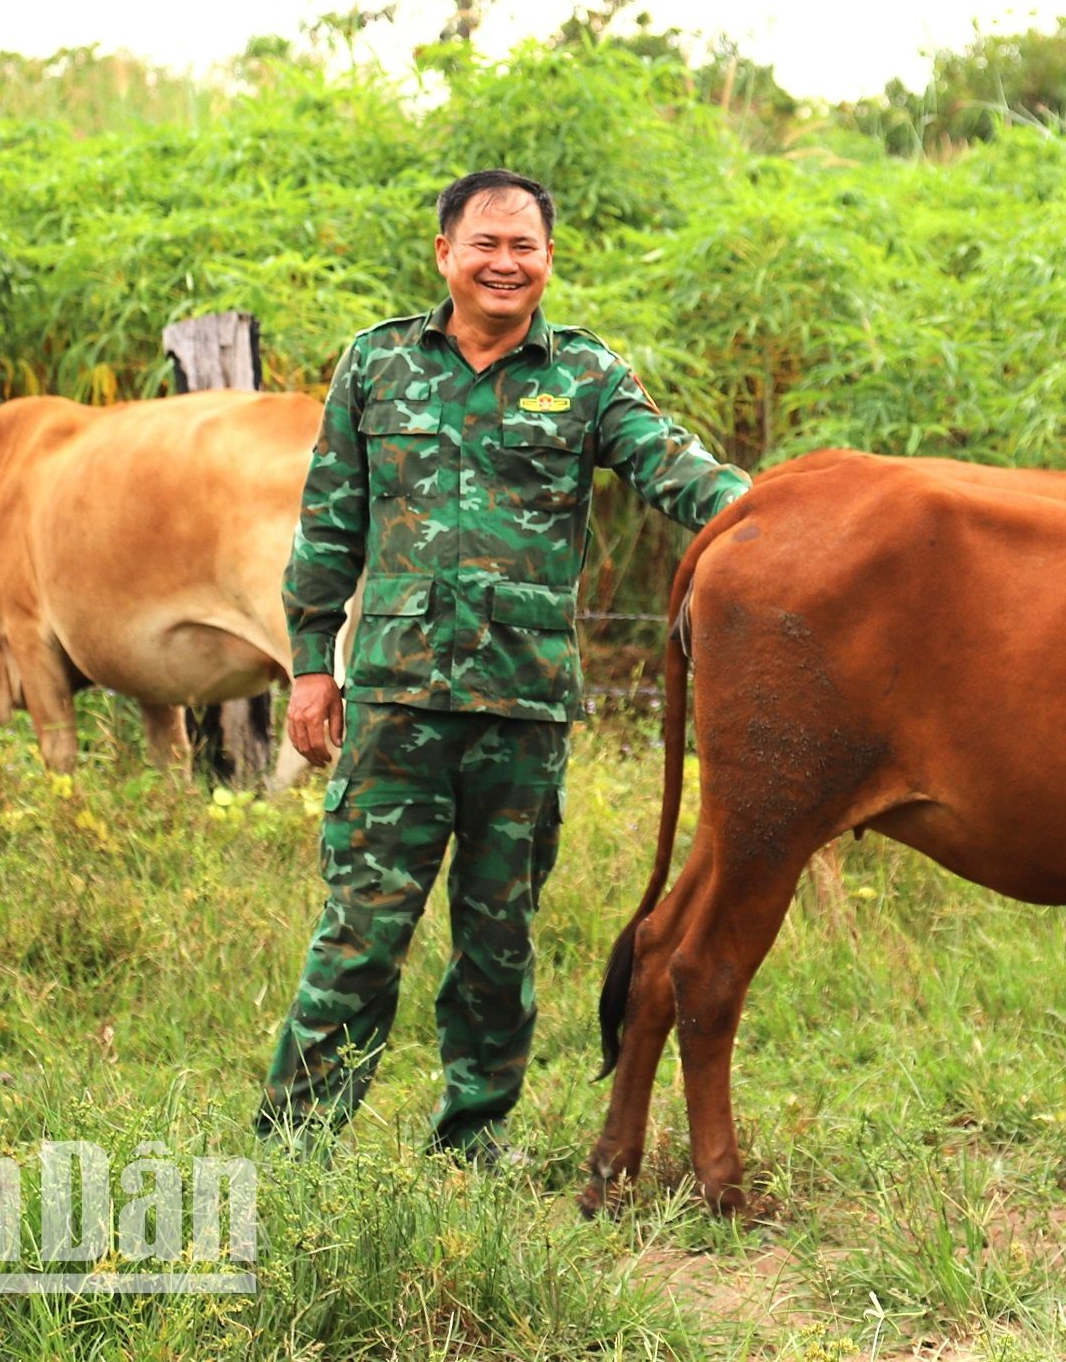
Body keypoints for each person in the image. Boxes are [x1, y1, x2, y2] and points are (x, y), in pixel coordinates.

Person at [257, 168, 748, 1159]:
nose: (504, 263)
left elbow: (677, 471)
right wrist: (313, 665)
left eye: (524, 246)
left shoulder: (588, 378)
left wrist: (793, 518)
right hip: (395, 705)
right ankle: (296, 1144)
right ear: (445, 254)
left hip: (522, 712)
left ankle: (473, 1139)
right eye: (484, 244)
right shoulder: (377, 365)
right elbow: (328, 524)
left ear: (548, 262)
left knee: (499, 944)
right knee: (360, 934)